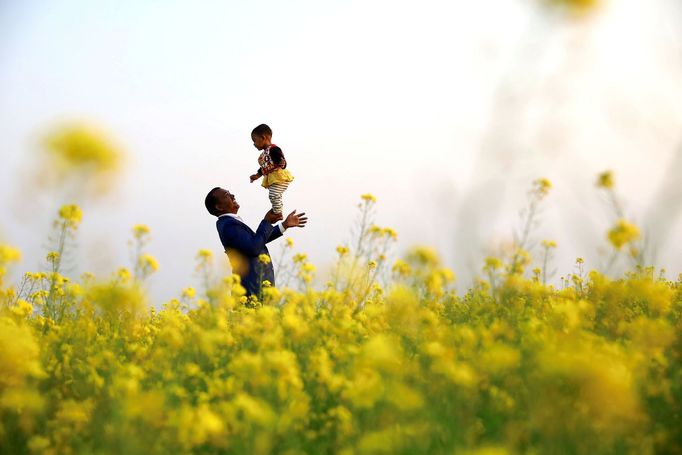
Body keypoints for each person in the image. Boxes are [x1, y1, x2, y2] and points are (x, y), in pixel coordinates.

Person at [204, 187, 307, 297]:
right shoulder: (229, 225)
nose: (232, 195)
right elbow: (254, 247)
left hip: (256, 290)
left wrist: (284, 225)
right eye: (226, 195)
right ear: (219, 206)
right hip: (251, 291)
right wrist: (267, 221)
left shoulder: (229, 223)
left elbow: (257, 241)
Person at [249, 124, 294, 215]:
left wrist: (282, 162)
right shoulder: (265, 154)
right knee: (273, 196)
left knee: (274, 195)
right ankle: (277, 210)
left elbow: (281, 159)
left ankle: (278, 212)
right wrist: (257, 175)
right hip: (274, 179)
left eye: (255, 140)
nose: (254, 144)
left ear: (263, 137)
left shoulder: (273, 149)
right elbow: (265, 167)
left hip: (279, 178)